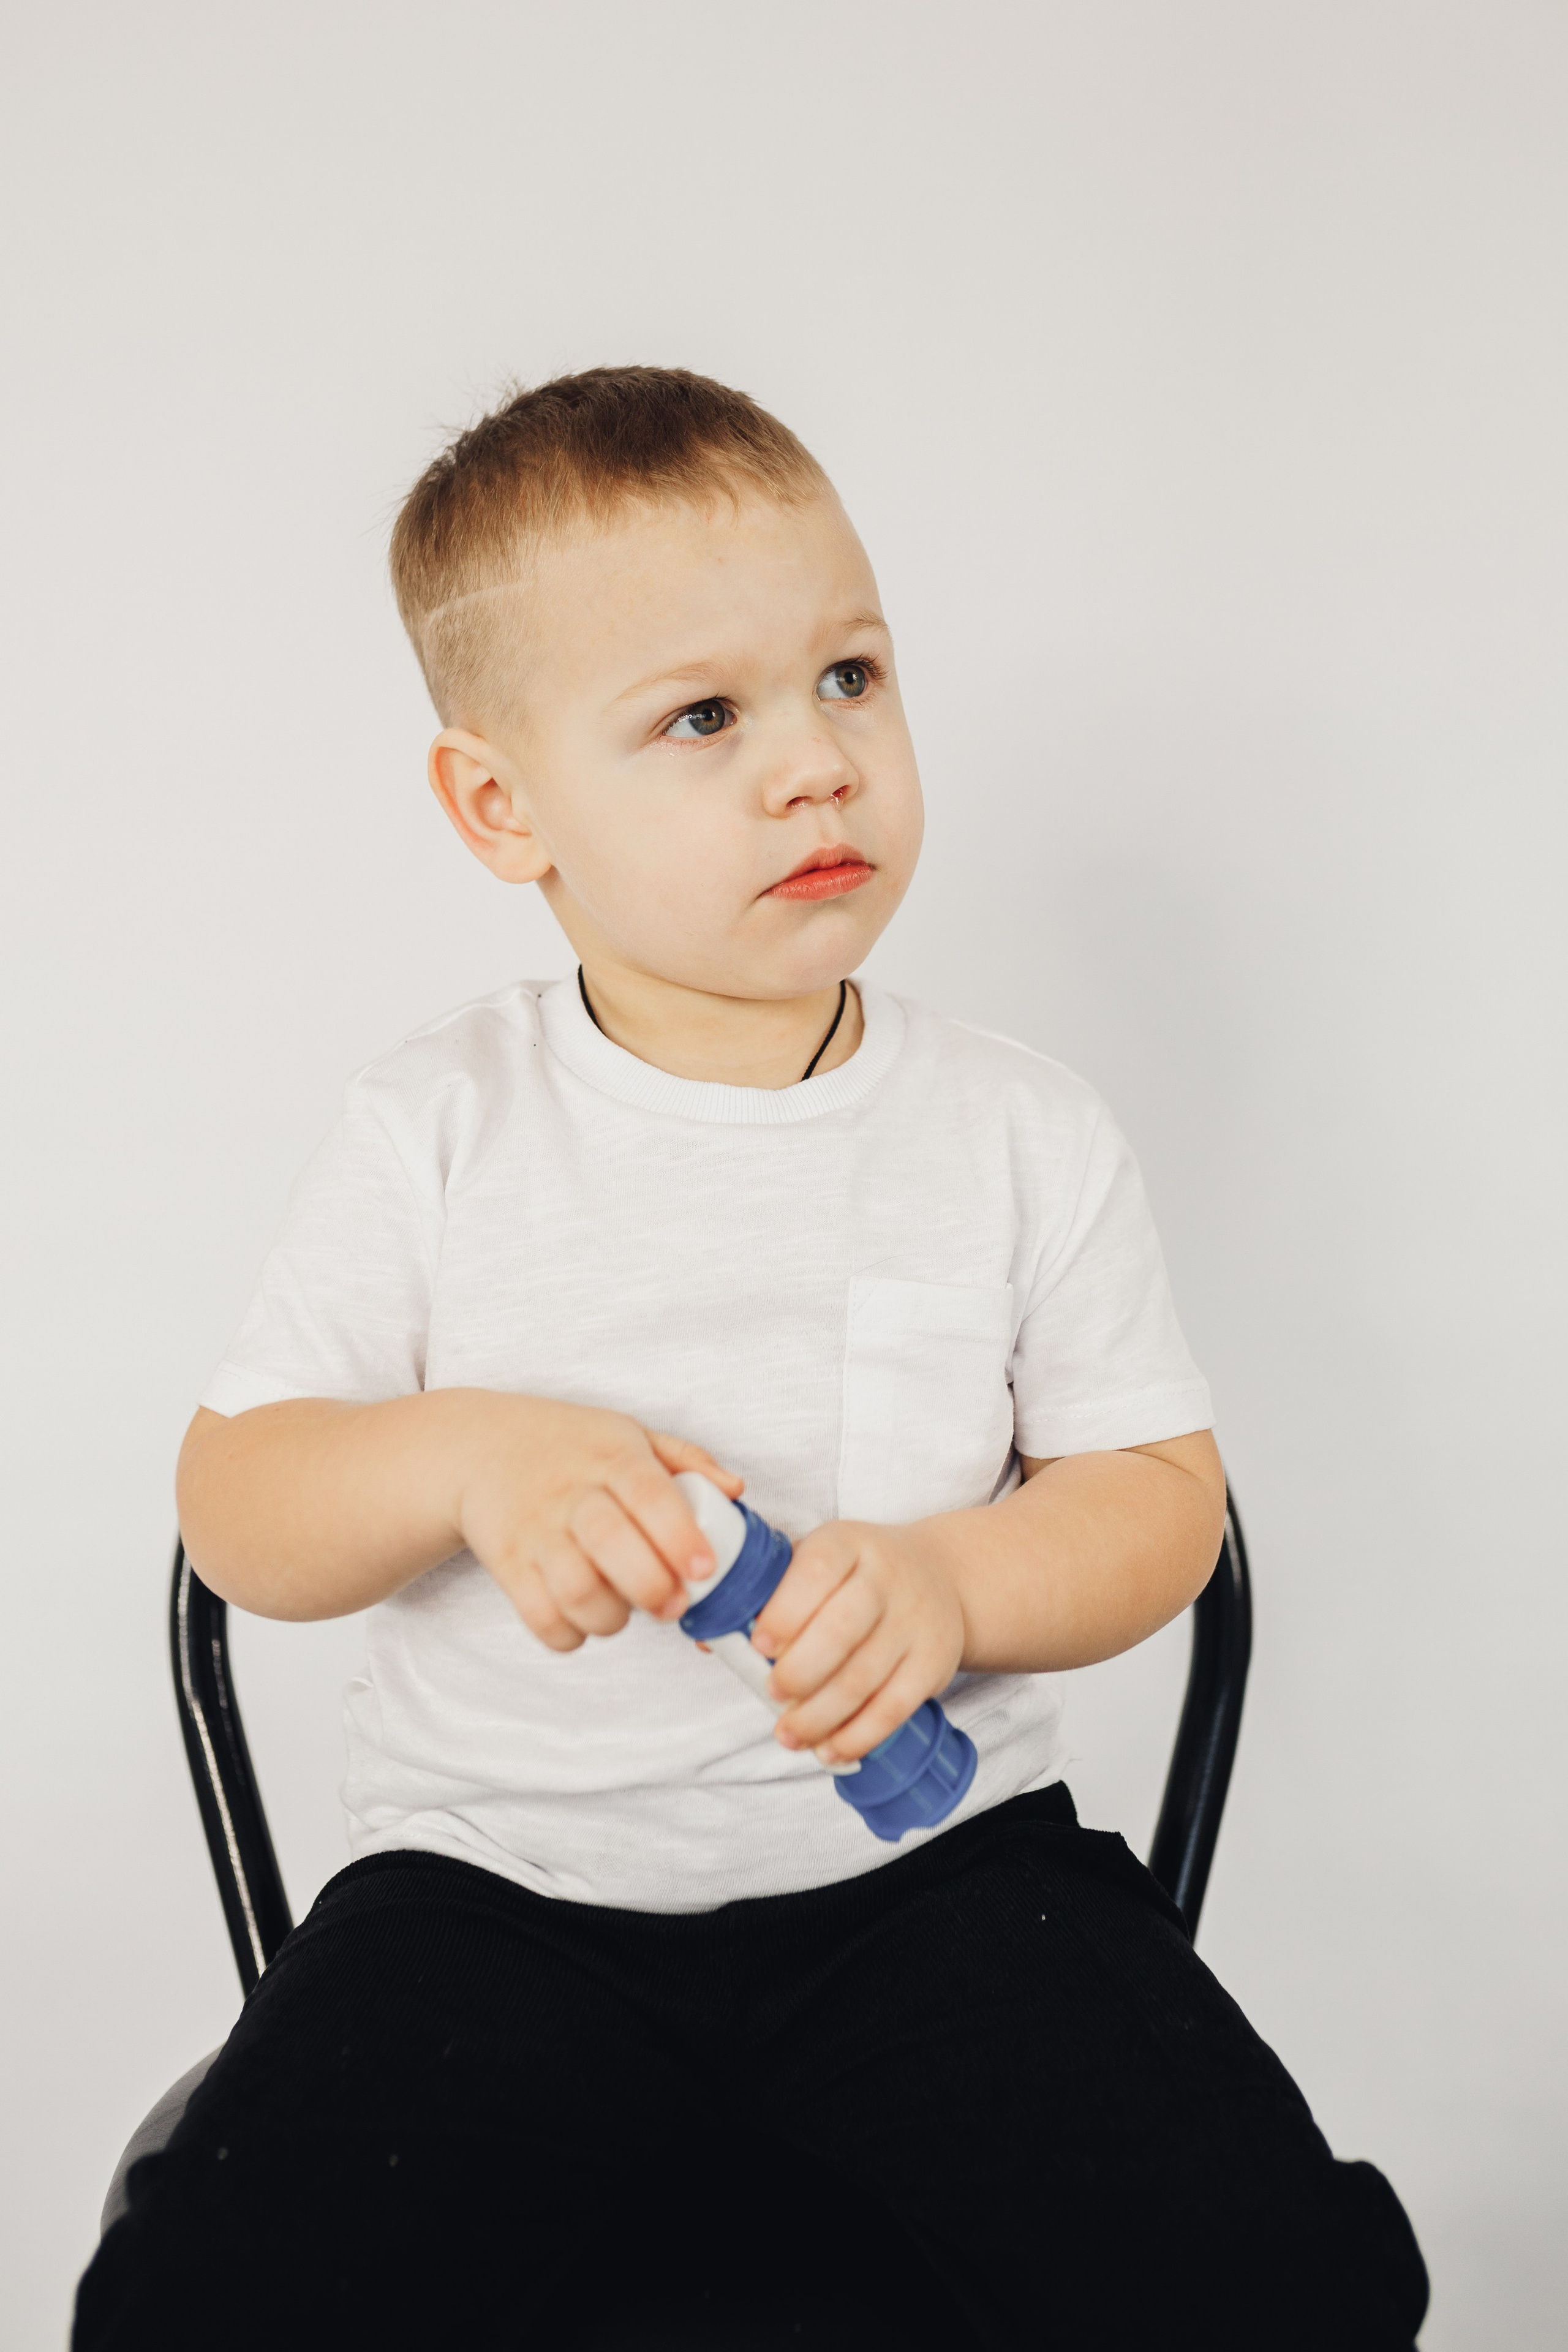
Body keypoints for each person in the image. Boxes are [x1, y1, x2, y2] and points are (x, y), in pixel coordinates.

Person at [75, 368, 1427, 2351]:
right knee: (206, 2306)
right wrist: (463, 1458)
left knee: (1281, 2290)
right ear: (500, 805)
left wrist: (960, 1578)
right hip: (498, 1895)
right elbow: (241, 1511)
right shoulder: (434, 1127)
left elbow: (1158, 1508)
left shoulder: (1016, 1131)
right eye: (705, 716)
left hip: (938, 1877)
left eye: (852, 679)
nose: (816, 765)